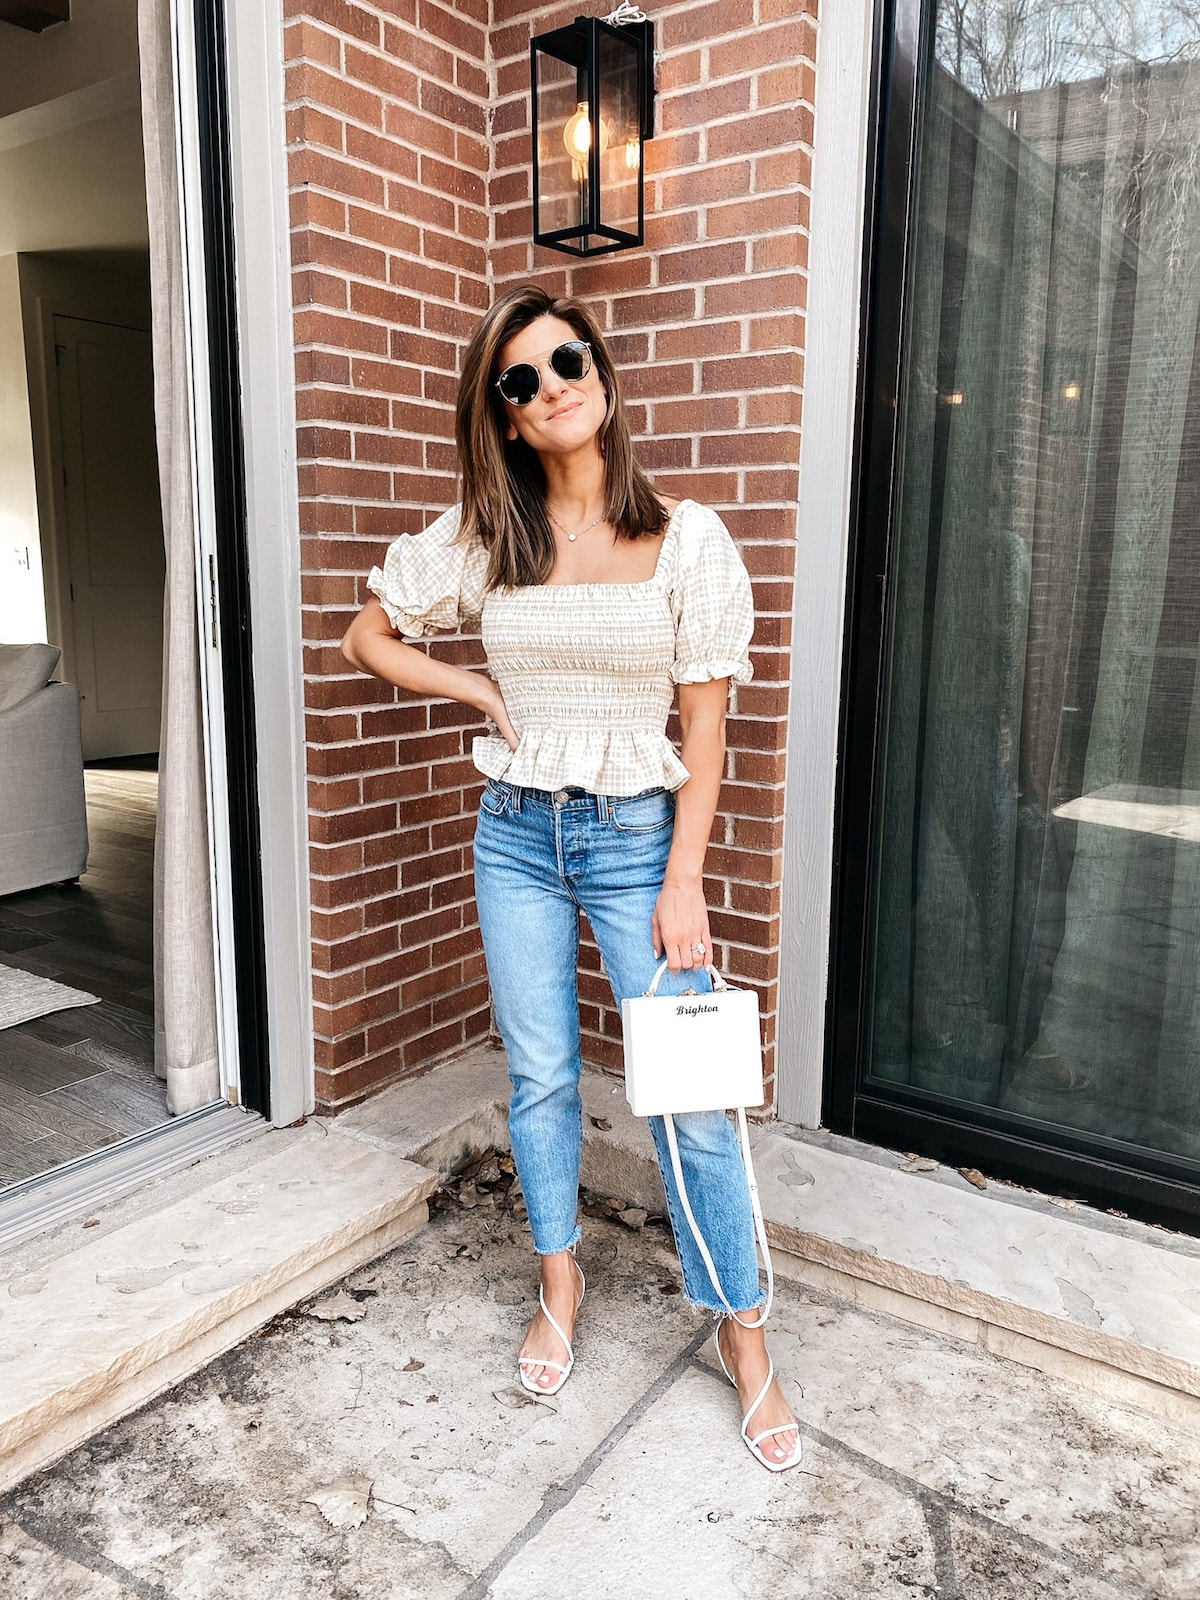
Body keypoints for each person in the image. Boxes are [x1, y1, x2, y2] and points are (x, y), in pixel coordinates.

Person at [341, 285, 800, 1471]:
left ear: (599, 371)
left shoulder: (686, 539)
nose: (553, 384)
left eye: (568, 359)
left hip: (640, 839)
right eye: (521, 380)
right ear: (502, 418)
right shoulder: (490, 538)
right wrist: (479, 692)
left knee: (691, 1094)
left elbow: (706, 735)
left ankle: (746, 1334)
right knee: (541, 1072)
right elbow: (367, 633)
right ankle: (560, 1283)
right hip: (515, 837)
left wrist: (686, 875)